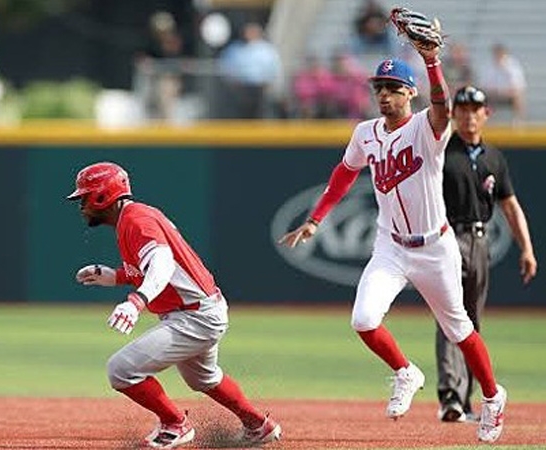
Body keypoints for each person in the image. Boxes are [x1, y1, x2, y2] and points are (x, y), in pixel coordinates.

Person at [278, 41, 508, 443]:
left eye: (392, 87)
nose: (383, 94)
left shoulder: (427, 127)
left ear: (409, 92)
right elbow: (344, 173)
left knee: (459, 330)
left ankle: (492, 397)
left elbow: (442, 106)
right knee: (364, 320)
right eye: (379, 88)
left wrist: (432, 62)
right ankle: (406, 371)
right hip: (391, 245)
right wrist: (315, 219)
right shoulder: (365, 133)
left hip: (435, 247)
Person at [67, 162, 281, 449]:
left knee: (120, 370)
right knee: (203, 378)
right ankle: (258, 425)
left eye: (84, 197)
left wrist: (136, 301)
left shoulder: (136, 220)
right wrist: (113, 276)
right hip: (200, 310)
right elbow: (153, 269)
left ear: (103, 196)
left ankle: (175, 424)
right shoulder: (134, 217)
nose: (81, 205)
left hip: (194, 317)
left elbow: (163, 264)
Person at [436, 85, 537, 423]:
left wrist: (526, 247)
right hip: (447, 236)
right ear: (453, 115)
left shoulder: (494, 157)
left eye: (474, 109)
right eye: (461, 110)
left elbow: (509, 205)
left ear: (485, 114)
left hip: (480, 239)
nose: (468, 115)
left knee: (472, 320)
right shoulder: (441, 151)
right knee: (450, 316)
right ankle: (450, 396)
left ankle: (464, 401)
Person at [218, 22, 281, 119]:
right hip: (240, 89)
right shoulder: (235, 49)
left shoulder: (266, 49)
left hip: (260, 88)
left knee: (259, 115)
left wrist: (267, 84)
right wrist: (234, 85)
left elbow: (273, 68)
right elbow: (226, 67)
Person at [479, 43, 527, 123]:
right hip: (493, 95)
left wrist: (505, 91)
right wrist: (495, 91)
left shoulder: (512, 66)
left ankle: (519, 122)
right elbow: (484, 86)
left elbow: (518, 86)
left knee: (518, 97)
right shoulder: (488, 66)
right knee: (483, 98)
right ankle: (486, 122)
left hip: (508, 95)